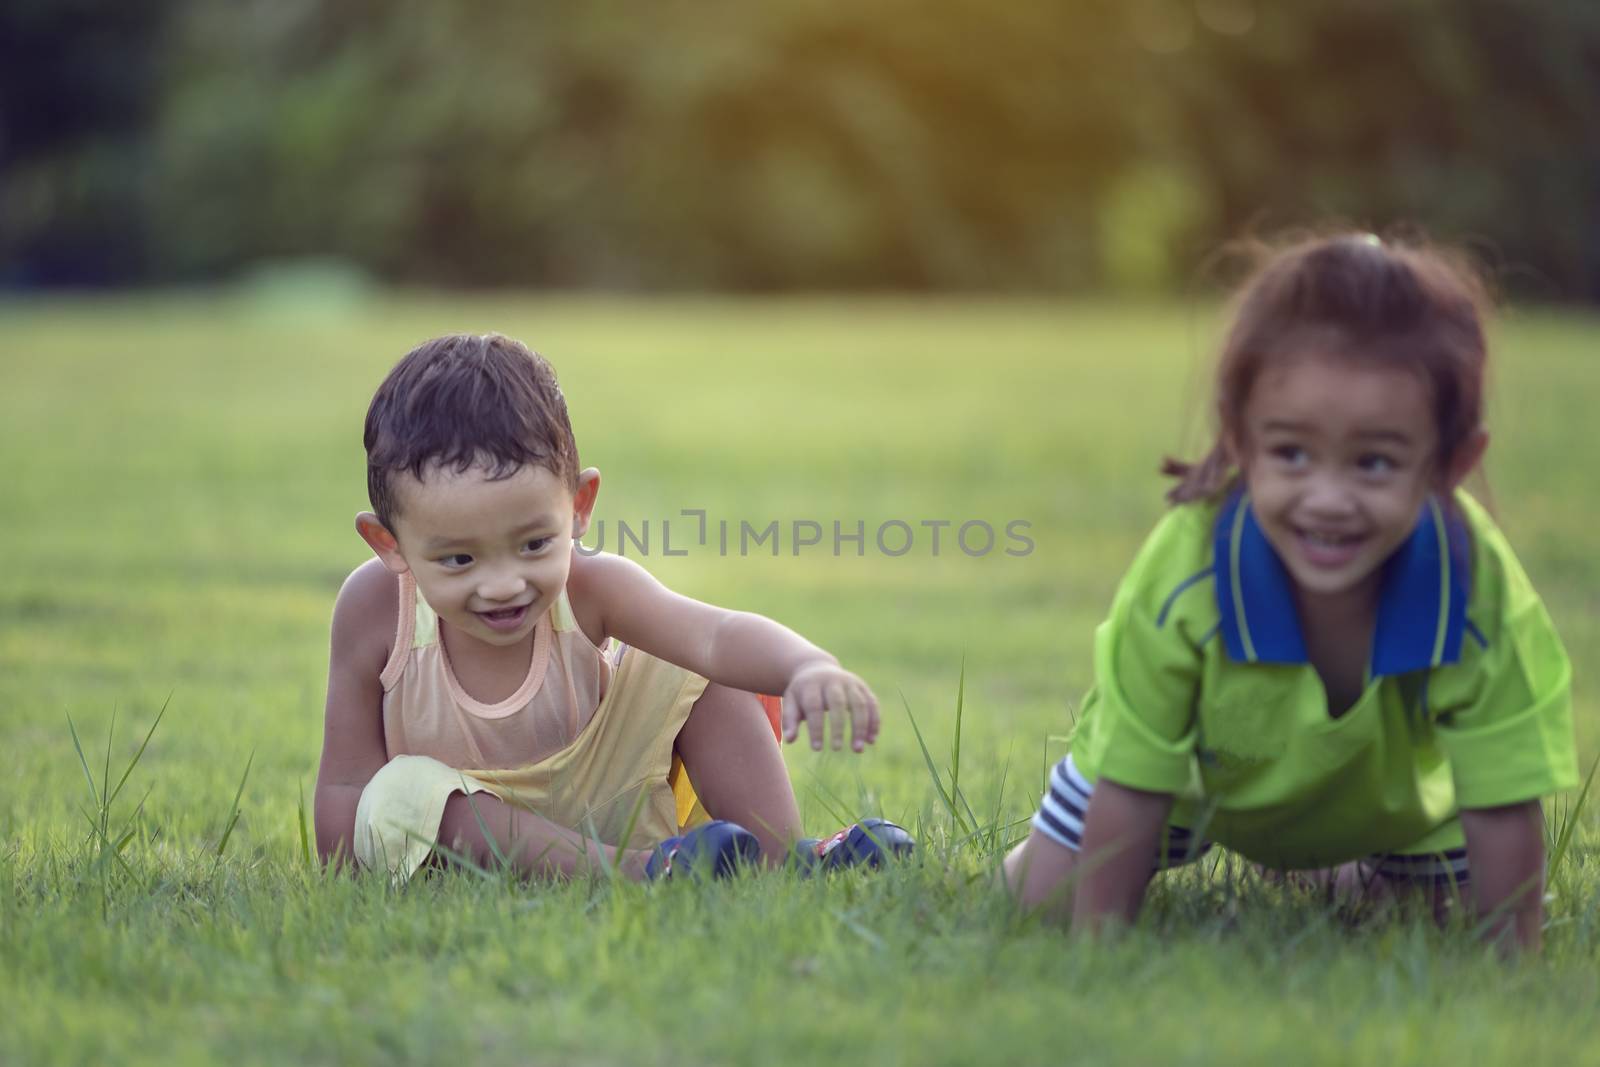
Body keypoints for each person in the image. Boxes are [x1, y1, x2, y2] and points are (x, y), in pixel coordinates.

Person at [1003, 233, 1577, 951]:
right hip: (1180, 783)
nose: (1327, 498)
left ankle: (1332, 867)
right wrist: (1099, 949)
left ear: (1451, 463)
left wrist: (1512, 968)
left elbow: (1502, 799)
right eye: (1292, 454)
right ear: (1240, 440)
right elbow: (1134, 776)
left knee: (1439, 921)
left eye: (1373, 461)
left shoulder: (1475, 591)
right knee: (1038, 902)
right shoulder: (1189, 570)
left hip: (1389, 804)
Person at [315, 332, 912, 883]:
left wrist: (807, 665)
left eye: (533, 545)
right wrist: (354, 865)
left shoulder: (591, 587)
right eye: (458, 560)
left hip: (605, 800)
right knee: (397, 793)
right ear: (390, 543)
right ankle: (641, 874)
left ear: (578, 506)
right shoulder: (374, 611)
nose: (503, 585)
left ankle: (782, 857)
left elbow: (714, 636)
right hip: (473, 829)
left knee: (692, 665)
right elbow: (346, 782)